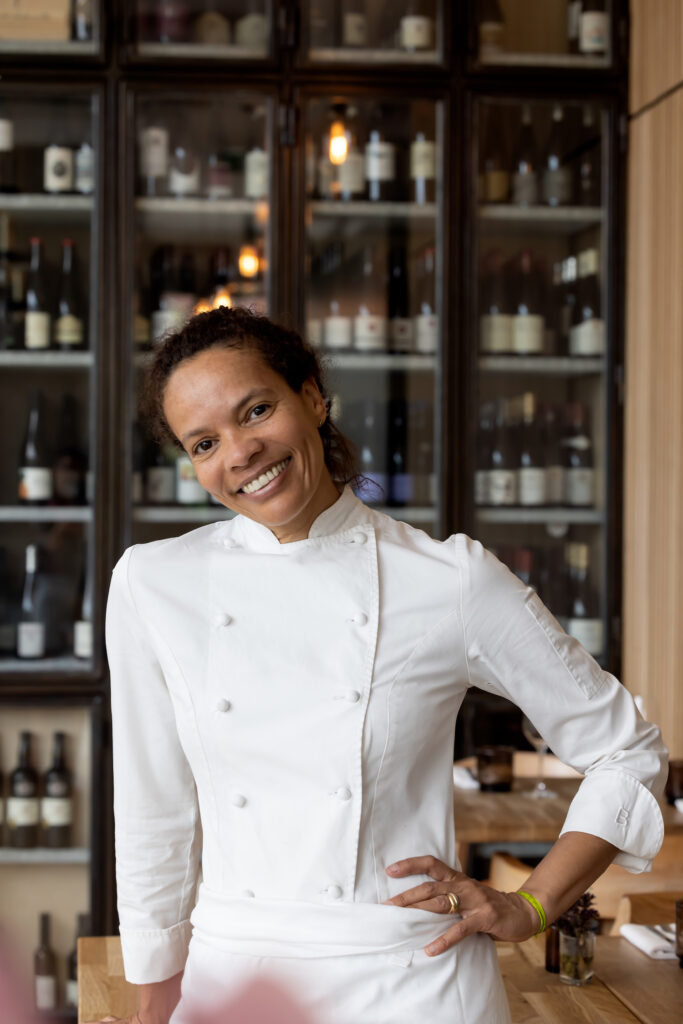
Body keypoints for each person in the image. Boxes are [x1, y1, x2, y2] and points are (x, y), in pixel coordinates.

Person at [102, 306, 667, 1024]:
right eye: (205, 441)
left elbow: (626, 750)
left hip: (413, 978)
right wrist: (153, 998)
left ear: (311, 396)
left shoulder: (447, 579)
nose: (239, 452)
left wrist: (531, 903)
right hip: (231, 972)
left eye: (257, 410)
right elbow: (154, 811)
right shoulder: (154, 582)